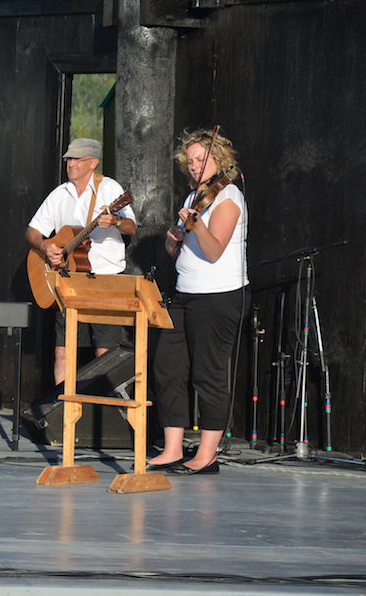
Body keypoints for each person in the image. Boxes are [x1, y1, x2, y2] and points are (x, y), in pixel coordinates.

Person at [147, 128, 249, 475]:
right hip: (185, 292)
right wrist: (173, 241)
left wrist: (196, 225)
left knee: (209, 374)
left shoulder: (229, 196)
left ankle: (206, 456)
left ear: (218, 158)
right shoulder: (195, 197)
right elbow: (179, 252)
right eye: (189, 161)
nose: (193, 166)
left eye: (200, 159)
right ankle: (172, 449)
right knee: (167, 367)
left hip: (218, 296)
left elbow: (214, 248)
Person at [26, 138, 137, 385]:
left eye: (78, 159)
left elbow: (131, 227)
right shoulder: (60, 193)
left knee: (104, 352)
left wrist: (116, 221)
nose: (71, 163)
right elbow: (32, 231)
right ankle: (61, 414)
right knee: (63, 352)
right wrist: (44, 246)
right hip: (69, 281)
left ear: (93, 163)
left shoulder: (109, 189)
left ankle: (101, 415)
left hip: (105, 281)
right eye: (69, 159)